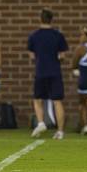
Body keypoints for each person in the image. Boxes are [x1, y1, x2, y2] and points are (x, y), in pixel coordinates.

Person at [29, 8, 68, 140]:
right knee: (57, 101)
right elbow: (62, 56)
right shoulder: (58, 35)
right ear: (52, 19)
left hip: (40, 71)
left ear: (40, 18)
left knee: (37, 99)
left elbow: (32, 56)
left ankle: (41, 123)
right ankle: (60, 131)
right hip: (55, 72)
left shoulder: (34, 36)